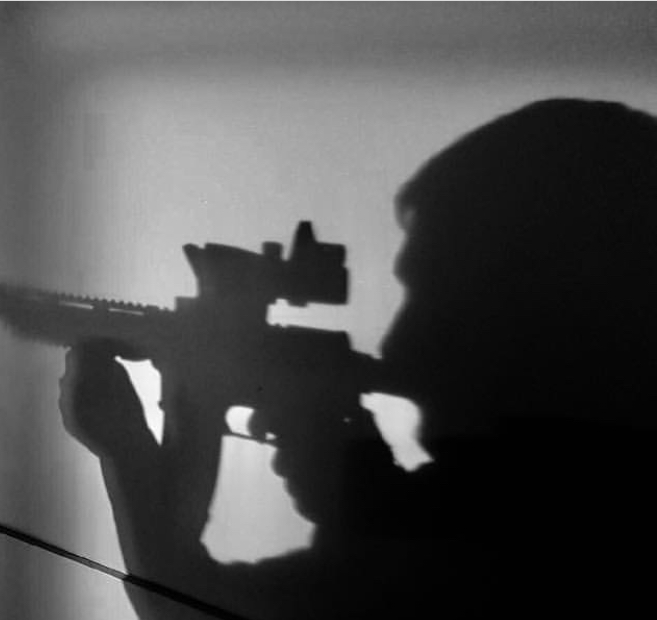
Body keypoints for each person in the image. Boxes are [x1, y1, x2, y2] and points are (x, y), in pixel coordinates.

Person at [58, 98, 657, 619]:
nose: (398, 342)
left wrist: (129, 451)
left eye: (437, 296)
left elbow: (193, 608)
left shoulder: (533, 523)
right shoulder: (512, 499)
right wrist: (352, 498)